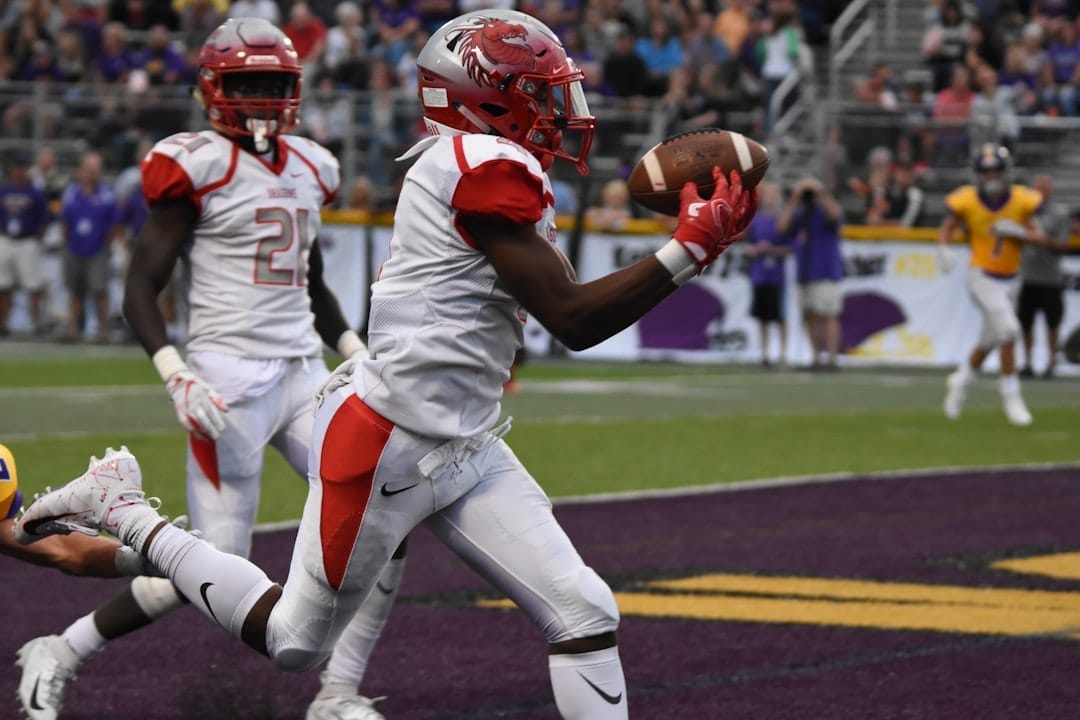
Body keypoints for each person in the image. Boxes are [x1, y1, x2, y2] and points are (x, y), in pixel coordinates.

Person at [14, 10, 757, 720]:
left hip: (459, 438)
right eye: (542, 92)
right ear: (489, 101)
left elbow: (342, 283)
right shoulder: (480, 164)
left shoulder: (469, 160)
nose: (563, 108)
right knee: (293, 642)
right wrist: (686, 250)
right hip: (384, 442)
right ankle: (129, 514)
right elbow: (571, 318)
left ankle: (338, 693)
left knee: (585, 609)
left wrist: (350, 342)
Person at [17, 19, 403, 720]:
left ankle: (338, 693)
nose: (260, 99)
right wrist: (175, 372)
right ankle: (60, 647)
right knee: (211, 568)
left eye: (273, 85)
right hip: (224, 383)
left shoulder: (312, 165)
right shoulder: (194, 163)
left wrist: (355, 353)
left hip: (302, 373)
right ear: (213, 90)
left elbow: (310, 284)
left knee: (389, 510)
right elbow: (140, 286)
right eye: (246, 84)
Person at [937, 143, 1046, 426]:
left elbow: (1040, 236)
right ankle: (1012, 396)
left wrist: (1020, 232)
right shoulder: (967, 200)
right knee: (1009, 330)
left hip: (1012, 278)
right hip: (982, 276)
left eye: (996, 170)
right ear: (978, 174)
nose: (991, 176)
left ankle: (960, 380)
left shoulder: (1021, 199)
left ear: (1006, 171)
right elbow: (947, 225)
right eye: (986, 172)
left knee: (989, 340)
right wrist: (944, 249)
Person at [779, 176, 844, 370]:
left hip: (826, 271)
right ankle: (816, 357)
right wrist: (796, 197)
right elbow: (782, 227)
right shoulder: (802, 214)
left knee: (829, 314)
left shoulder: (825, 211)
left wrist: (819, 191)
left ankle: (832, 359)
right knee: (811, 315)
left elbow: (835, 215)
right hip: (806, 272)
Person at [58, 152, 123, 344]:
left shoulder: (107, 194)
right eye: (88, 170)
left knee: (100, 290)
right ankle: (73, 329)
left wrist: (106, 244)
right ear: (80, 171)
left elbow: (116, 224)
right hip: (74, 247)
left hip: (98, 249)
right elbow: (65, 222)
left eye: (95, 171)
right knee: (75, 290)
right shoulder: (70, 193)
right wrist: (67, 243)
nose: (91, 174)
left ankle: (104, 331)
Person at [1018, 174, 1071, 379]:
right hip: (1028, 276)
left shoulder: (1058, 214)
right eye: (1038, 187)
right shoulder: (1023, 212)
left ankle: (1051, 363)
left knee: (1052, 324)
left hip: (1050, 278)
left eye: (1044, 187)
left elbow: (1063, 245)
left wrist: (1043, 241)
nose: (1041, 191)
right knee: (1026, 323)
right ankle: (1027, 363)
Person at [0, 150, 52, 337]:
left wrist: (37, 240)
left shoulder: (35, 192)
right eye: (16, 168)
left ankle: (36, 324)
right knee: (3, 285)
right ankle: (3, 324)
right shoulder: (4, 190)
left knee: (33, 286)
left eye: (22, 168)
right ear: (12, 170)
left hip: (27, 240)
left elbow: (44, 220)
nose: (19, 172)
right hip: (7, 239)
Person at [743, 181, 793, 367]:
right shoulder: (755, 220)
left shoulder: (783, 220)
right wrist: (755, 250)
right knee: (762, 317)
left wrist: (772, 249)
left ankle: (783, 354)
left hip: (777, 277)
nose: (771, 198)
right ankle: (764, 353)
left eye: (774, 195)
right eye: (768, 195)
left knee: (780, 316)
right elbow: (747, 245)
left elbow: (791, 247)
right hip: (759, 275)